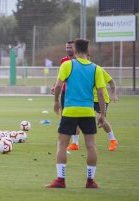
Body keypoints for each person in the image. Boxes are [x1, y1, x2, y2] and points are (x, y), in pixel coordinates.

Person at [46, 38, 107, 189]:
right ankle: (90, 181)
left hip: (70, 111)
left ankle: (61, 180)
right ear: (88, 51)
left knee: (61, 144)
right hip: (88, 112)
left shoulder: (67, 64)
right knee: (91, 146)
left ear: (74, 51)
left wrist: (56, 102)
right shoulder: (96, 69)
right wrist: (103, 115)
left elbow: (59, 86)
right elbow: (100, 94)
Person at [67, 58, 119, 151]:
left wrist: (113, 93)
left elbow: (111, 82)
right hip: (88, 99)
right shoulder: (78, 71)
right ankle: (75, 143)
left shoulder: (98, 69)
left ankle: (113, 140)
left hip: (101, 98)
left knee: (100, 119)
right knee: (77, 118)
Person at [50, 41, 75, 109]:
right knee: (63, 112)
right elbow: (61, 77)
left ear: (75, 48)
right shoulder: (63, 60)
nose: (68, 49)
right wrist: (54, 86)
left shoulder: (80, 60)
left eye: (71, 47)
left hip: (76, 91)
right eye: (67, 47)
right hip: (65, 91)